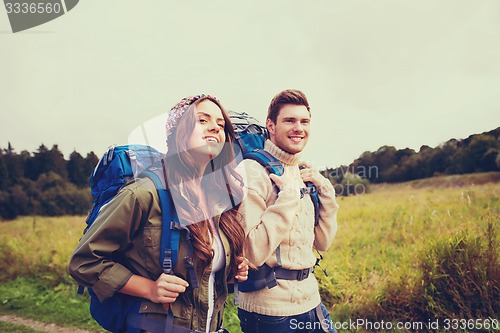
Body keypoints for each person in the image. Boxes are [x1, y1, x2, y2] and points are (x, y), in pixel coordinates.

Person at [69, 94, 249, 333]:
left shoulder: (219, 198)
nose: (215, 127)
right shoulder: (145, 193)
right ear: (178, 133)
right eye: (203, 120)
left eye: (221, 124)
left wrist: (228, 268)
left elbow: (200, 270)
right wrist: (148, 288)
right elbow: (84, 261)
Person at [236, 89, 339, 333]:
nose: (299, 128)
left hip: (311, 300)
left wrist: (326, 191)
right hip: (270, 313)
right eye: (289, 121)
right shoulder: (252, 171)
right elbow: (251, 252)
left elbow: (323, 242)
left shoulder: (302, 172)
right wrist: (288, 199)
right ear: (270, 126)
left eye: (304, 121)